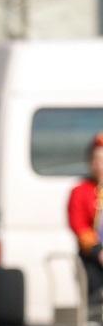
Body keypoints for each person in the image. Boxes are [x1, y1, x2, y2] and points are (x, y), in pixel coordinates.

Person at [66, 131, 103, 306]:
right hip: (93, 256)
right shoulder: (81, 191)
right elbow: (79, 225)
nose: (99, 165)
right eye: (95, 160)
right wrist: (98, 251)